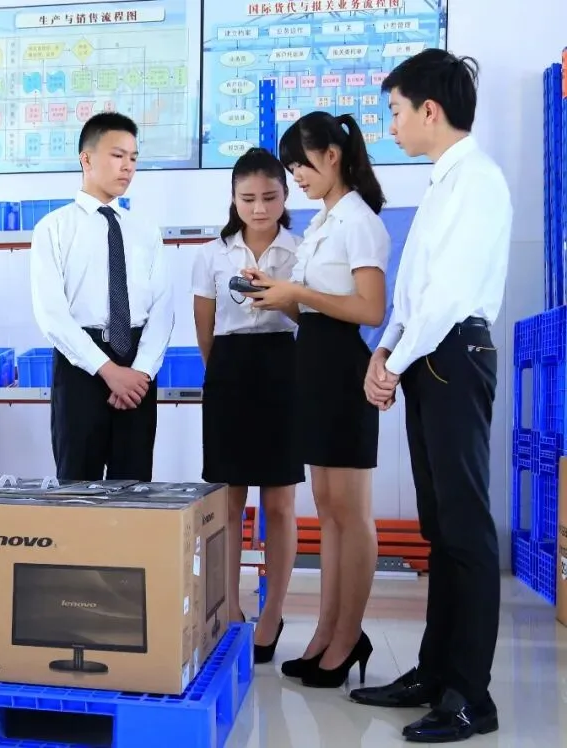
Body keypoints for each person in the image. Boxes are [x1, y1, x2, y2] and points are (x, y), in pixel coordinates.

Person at [353, 50, 508, 743]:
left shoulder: (476, 180)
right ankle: (436, 672)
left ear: (429, 110)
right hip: (428, 354)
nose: (391, 125)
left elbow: (446, 297)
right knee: (441, 528)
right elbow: (416, 291)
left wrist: (396, 358)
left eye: (395, 111)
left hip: (453, 354)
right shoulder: (444, 181)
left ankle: (471, 696)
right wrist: (386, 349)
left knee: (465, 528)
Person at [240, 111, 388, 688]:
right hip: (316, 365)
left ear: (333, 156)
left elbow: (370, 309)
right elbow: (318, 308)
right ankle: (326, 633)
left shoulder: (360, 221)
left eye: (301, 164)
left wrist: (297, 291)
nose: (296, 175)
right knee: (327, 510)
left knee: (351, 512)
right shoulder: (325, 220)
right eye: (291, 166)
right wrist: (282, 298)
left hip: (344, 369)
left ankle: (348, 635)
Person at [191, 148, 301, 664]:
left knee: (279, 503)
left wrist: (280, 297)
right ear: (233, 199)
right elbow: (206, 329)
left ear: (286, 195)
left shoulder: (300, 250)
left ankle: (273, 611)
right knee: (229, 501)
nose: (259, 208)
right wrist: (223, 371)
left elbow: (310, 317)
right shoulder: (212, 254)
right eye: (248, 198)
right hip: (229, 371)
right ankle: (231, 609)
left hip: (284, 369)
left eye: (270, 197)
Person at [30, 112, 174, 481]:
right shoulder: (53, 228)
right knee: (78, 486)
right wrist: (108, 371)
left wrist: (140, 372)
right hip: (81, 366)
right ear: (87, 159)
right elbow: (51, 314)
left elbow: (162, 308)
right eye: (117, 155)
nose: (128, 166)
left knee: (135, 487)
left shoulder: (145, 230)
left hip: (137, 368)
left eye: (133, 158)